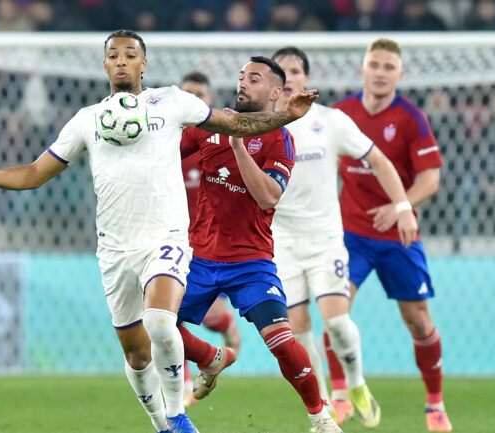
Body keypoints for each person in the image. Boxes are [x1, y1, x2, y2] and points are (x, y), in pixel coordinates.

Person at [0, 30, 319, 433]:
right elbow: (36, 173)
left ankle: (179, 417)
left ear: (144, 64)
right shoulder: (86, 120)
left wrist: (287, 115)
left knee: (161, 320)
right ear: (106, 64)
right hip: (114, 250)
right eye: (114, 55)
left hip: (166, 238)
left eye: (131, 54)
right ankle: (163, 421)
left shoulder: (172, 101)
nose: (122, 60)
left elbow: (233, 121)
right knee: (138, 356)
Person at [174, 56, 342, 433]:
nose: (243, 83)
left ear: (275, 92)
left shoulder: (281, 139)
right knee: (154, 327)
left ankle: (320, 417)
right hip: (199, 257)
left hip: (251, 261)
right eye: (241, 77)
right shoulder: (211, 125)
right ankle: (211, 358)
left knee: (282, 341)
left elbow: (268, 197)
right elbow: (167, 155)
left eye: (254, 78)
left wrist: (237, 146)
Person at [269, 46, 418, 428]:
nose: (289, 79)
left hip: (324, 240)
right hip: (279, 242)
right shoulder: (259, 127)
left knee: (335, 320)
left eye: (296, 71)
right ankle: (322, 405)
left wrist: (403, 208)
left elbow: (379, 161)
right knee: (297, 329)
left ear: (306, 79)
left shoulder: (330, 121)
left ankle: (355, 384)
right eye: (281, 73)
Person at [332, 38, 452, 432]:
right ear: (362, 70)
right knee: (335, 313)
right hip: (350, 235)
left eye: (389, 67)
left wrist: (401, 206)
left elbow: (431, 178)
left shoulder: (411, 118)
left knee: (418, 321)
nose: (381, 73)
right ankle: (340, 397)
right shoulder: (341, 114)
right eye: (375, 65)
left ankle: (435, 404)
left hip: (398, 236)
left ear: (400, 75)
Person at [179, 71, 242, 405]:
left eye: (198, 94)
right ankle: (185, 381)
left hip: (210, 242)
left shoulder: (217, 141)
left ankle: (225, 324)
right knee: (165, 314)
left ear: (210, 100)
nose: (192, 99)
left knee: (182, 314)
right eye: (186, 94)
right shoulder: (169, 143)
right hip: (172, 239)